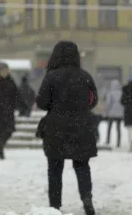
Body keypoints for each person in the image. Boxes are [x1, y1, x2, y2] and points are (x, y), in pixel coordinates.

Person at [36, 41, 97, 215]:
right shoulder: (85, 76)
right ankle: (87, 200)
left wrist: (56, 105)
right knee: (82, 165)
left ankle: (55, 206)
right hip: (81, 127)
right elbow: (93, 100)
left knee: (55, 167)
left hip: (56, 127)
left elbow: (41, 102)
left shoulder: (51, 77)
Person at [104, 79, 124, 148]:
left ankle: (108, 140)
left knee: (109, 127)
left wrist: (106, 111)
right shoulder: (121, 93)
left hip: (111, 113)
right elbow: (123, 103)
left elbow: (108, 103)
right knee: (118, 128)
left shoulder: (110, 93)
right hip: (119, 113)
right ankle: (118, 142)